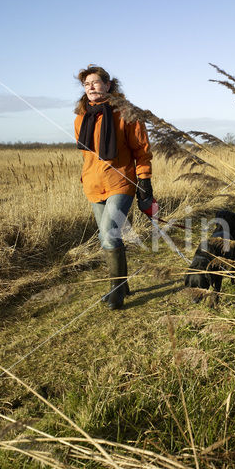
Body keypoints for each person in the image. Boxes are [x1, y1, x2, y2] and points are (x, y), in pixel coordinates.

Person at [74, 65, 153, 310]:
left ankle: (116, 291)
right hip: (93, 185)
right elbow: (87, 156)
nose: (91, 87)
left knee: (108, 234)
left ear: (108, 85)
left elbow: (142, 150)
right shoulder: (81, 118)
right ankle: (123, 283)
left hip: (121, 182)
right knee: (110, 236)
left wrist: (145, 181)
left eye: (95, 82)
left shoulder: (125, 114)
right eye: (87, 84)